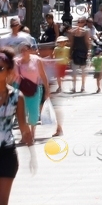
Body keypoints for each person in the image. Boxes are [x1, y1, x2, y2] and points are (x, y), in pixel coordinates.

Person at [0, 47, 33, 201]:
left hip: (7, 154)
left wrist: (28, 137)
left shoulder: (16, 97)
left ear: (8, 71)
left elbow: (23, 126)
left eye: (0, 68)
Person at [14, 41, 50, 141]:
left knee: (34, 113)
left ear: (30, 50)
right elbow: (13, 76)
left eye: (25, 50)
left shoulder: (37, 60)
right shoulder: (17, 61)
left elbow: (43, 75)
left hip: (34, 89)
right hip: (20, 90)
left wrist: (47, 89)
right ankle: (25, 135)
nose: (23, 52)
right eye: (21, 50)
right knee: (22, 114)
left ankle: (32, 133)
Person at [68, 17, 91, 93]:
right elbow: (71, 43)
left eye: (82, 22)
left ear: (84, 23)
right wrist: (70, 53)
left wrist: (88, 52)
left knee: (83, 71)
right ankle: (74, 87)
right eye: (79, 22)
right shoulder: (73, 32)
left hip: (83, 52)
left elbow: (87, 42)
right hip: (75, 52)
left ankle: (83, 86)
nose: (80, 23)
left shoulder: (86, 31)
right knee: (74, 71)